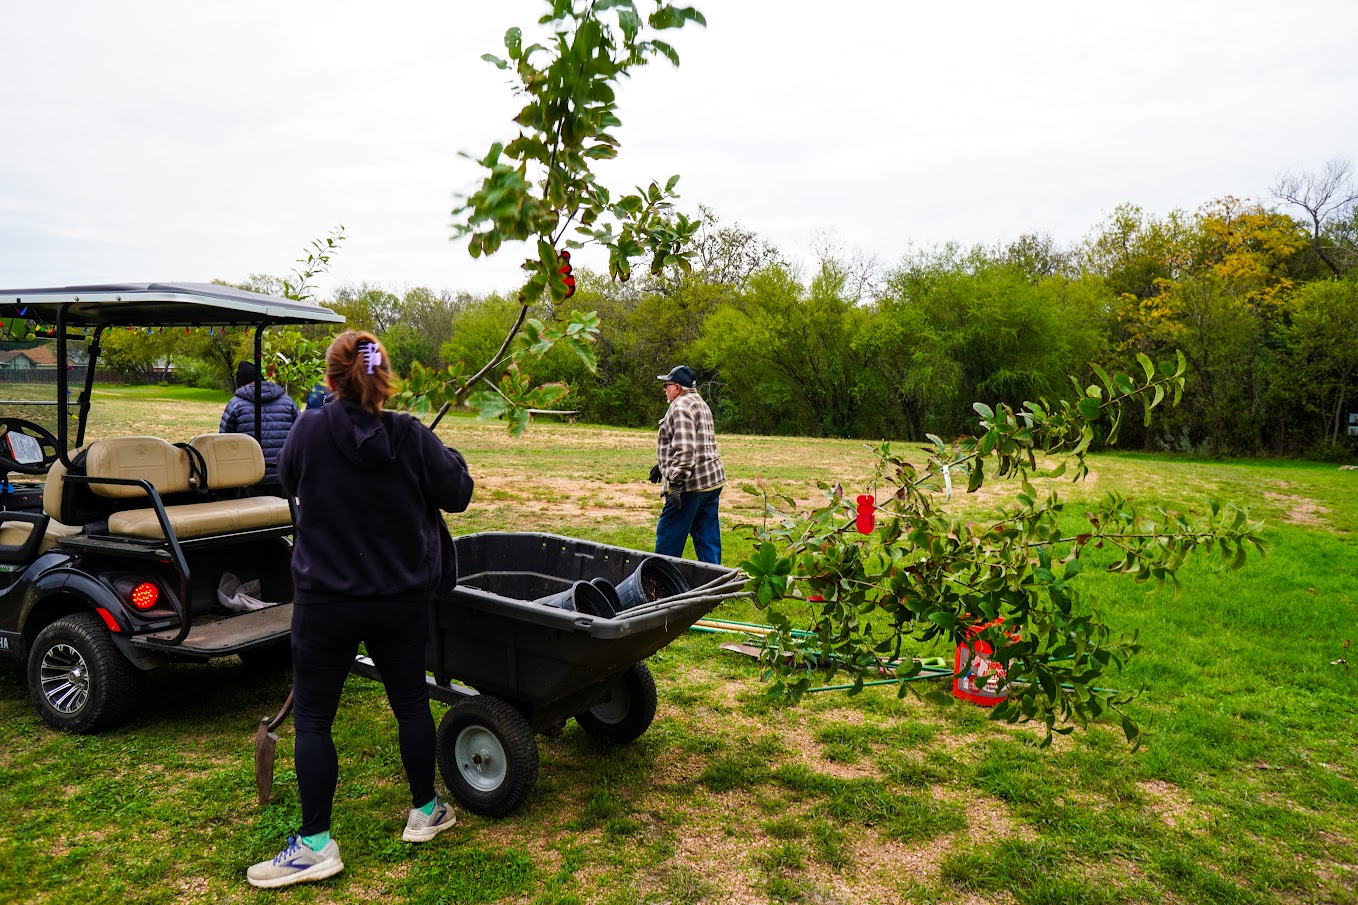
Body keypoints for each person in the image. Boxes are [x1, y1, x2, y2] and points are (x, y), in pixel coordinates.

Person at [246, 330, 474, 889]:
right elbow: (459, 492)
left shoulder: (308, 429)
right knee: (410, 705)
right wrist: (448, 457)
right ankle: (426, 809)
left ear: (331, 378)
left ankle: (316, 844)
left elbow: (288, 480)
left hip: (327, 601)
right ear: (385, 378)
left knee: (316, 721)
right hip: (399, 599)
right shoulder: (413, 435)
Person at [651, 364, 726, 564]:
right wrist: (663, 465)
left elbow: (685, 450)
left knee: (669, 537)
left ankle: (659, 583)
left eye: (666, 385)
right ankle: (714, 586)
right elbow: (696, 442)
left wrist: (675, 484)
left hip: (689, 486)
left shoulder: (680, 407)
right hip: (711, 482)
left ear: (677, 387)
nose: (664, 389)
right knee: (707, 538)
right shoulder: (698, 402)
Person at [220, 360, 300, 493]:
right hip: (283, 475)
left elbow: (223, 444)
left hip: (249, 478)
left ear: (240, 383)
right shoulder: (288, 402)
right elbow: (300, 435)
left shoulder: (235, 405)